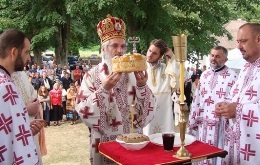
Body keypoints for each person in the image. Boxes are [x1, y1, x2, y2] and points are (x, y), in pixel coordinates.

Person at [76, 15, 156, 165]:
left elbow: (146, 114)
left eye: (123, 46)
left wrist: (142, 87)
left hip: (133, 144)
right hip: (105, 145)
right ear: (103, 49)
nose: (120, 51)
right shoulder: (91, 76)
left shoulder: (134, 73)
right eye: (114, 46)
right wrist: (104, 89)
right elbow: (83, 112)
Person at [215, 23, 260, 164]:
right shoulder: (246, 68)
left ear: (258, 39)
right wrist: (224, 106)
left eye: (244, 41)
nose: (239, 47)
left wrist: (239, 110)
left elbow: (241, 106)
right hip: (236, 148)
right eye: (238, 42)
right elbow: (236, 97)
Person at [0, 28, 45, 164]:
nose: (29, 58)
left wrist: (24, 128)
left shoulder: (6, 81)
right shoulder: (5, 86)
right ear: (14, 52)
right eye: (26, 52)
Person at [187, 46, 238, 165]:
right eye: (212, 55)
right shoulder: (204, 75)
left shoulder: (233, 76)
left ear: (225, 59)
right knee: (202, 155)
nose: (213, 59)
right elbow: (197, 98)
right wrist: (193, 117)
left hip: (221, 124)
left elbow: (235, 99)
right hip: (203, 122)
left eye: (218, 56)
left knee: (218, 156)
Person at [143, 39, 177, 135]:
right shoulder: (140, 68)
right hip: (145, 111)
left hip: (163, 113)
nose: (150, 55)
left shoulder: (167, 69)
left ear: (160, 56)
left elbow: (178, 79)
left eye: (154, 53)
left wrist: (172, 57)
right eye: (149, 51)